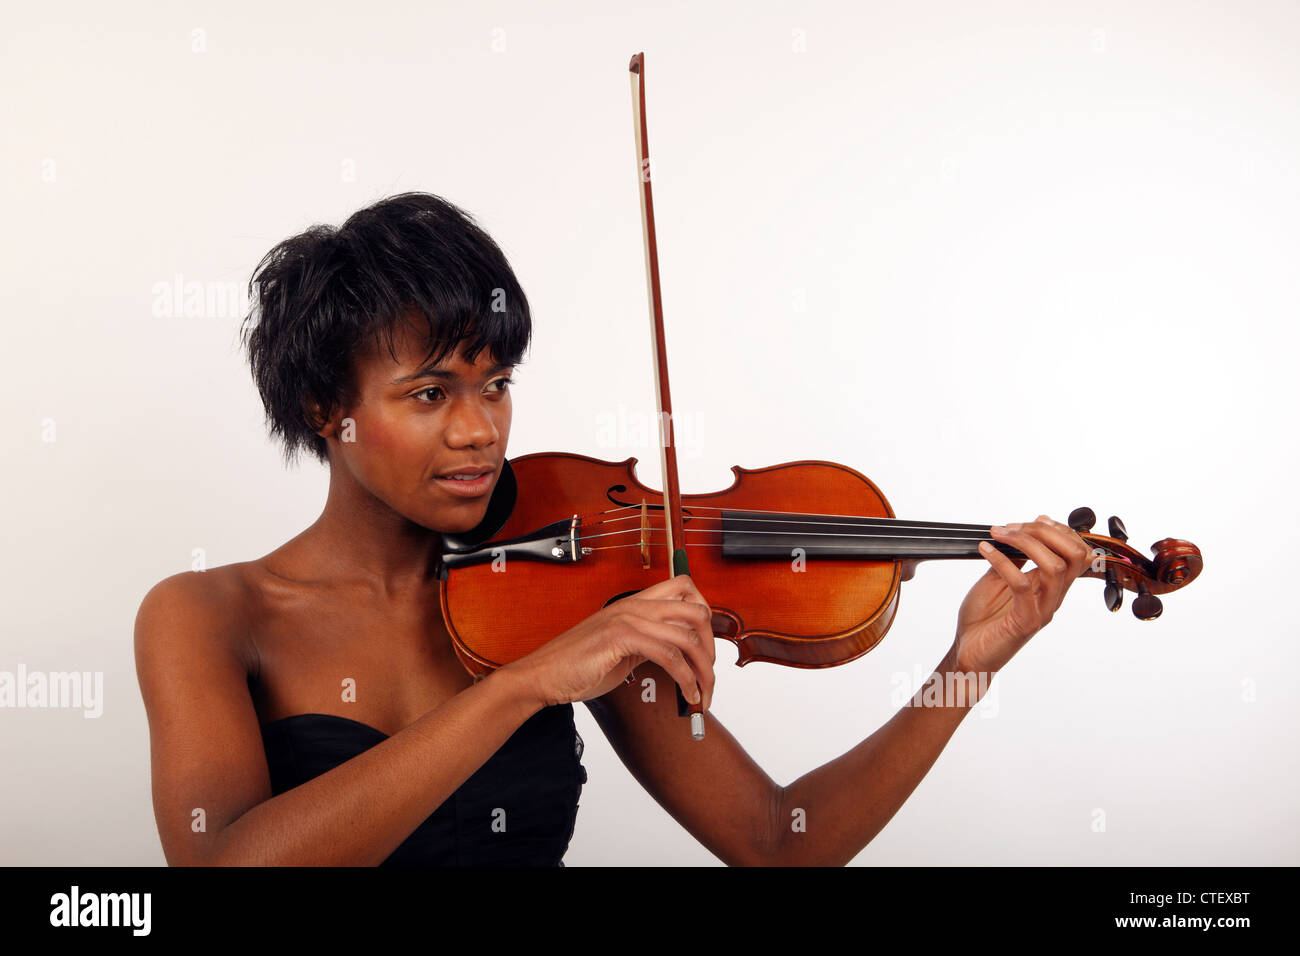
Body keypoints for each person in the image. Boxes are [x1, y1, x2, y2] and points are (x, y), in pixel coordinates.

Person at [134, 192, 1095, 866]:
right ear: (322, 409)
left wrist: (968, 665)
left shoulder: (578, 589)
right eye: (430, 393)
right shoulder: (208, 615)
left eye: (496, 384)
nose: (480, 431)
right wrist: (528, 685)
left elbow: (777, 841)